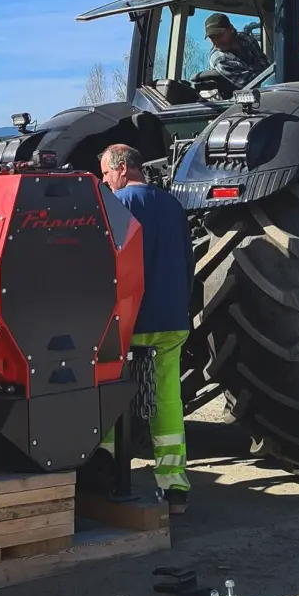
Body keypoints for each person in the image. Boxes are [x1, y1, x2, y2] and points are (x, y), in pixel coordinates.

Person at [97, 143, 194, 513]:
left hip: (129, 322)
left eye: (106, 173)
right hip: (171, 321)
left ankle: (104, 472)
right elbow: (187, 262)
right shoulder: (172, 205)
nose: (105, 181)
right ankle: (174, 490)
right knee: (167, 400)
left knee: (107, 393)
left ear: (122, 169)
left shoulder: (117, 205)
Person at [205, 12, 269, 90]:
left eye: (219, 35)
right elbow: (252, 83)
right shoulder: (219, 59)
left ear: (231, 29)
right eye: (212, 37)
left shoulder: (247, 39)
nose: (216, 41)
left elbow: (265, 66)